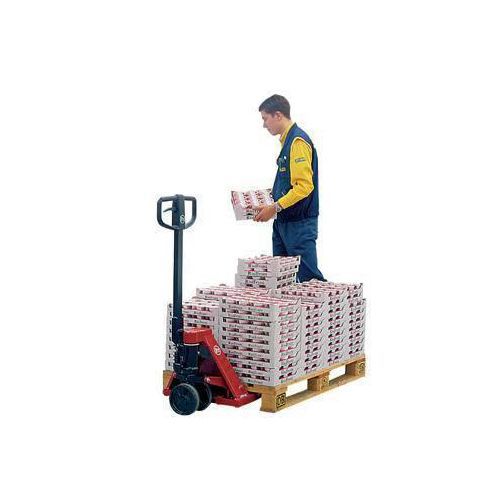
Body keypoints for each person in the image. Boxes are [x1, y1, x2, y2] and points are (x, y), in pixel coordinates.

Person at [254, 94, 325, 282]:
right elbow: (288, 184)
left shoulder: (297, 141)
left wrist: (275, 207)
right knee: (281, 281)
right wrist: (268, 202)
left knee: (309, 282)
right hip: (283, 221)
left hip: (299, 224)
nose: (264, 125)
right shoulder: (287, 142)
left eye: (265, 119)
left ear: (278, 115)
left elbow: (304, 186)